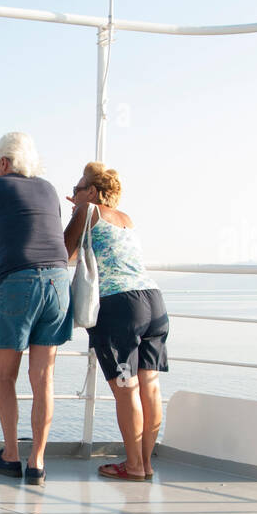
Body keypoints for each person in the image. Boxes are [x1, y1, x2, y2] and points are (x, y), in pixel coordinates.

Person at [0, 131, 72, 486]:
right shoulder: (47, 188)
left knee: (4, 375)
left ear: (3, 162)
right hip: (59, 284)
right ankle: (37, 463)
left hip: (20, 283)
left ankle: (11, 456)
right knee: (43, 378)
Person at [64, 162, 168, 481]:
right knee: (150, 390)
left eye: (77, 190)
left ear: (92, 192)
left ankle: (134, 466)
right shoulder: (126, 220)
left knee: (126, 389)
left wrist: (75, 213)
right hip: (153, 301)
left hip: (120, 307)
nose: (72, 196)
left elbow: (62, 253)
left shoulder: (88, 212)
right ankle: (144, 464)